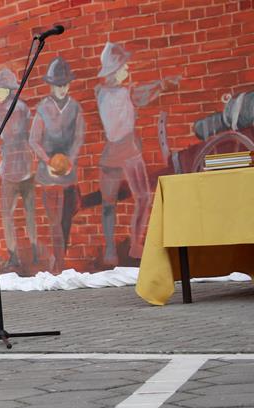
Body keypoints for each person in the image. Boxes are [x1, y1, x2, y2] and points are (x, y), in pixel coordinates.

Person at [95, 42, 178, 264]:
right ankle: (112, 250)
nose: (127, 68)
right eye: (123, 65)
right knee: (110, 203)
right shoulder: (109, 93)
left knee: (142, 197)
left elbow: (141, 94)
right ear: (114, 70)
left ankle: (135, 245)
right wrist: (160, 85)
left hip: (128, 150)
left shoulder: (122, 92)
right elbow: (137, 97)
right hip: (119, 152)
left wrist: (160, 85)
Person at [29, 57, 85, 273]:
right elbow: (34, 140)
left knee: (67, 218)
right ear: (51, 85)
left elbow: (78, 137)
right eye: (57, 84)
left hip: (68, 171)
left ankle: (59, 256)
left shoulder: (75, 108)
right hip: (48, 174)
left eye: (65, 84)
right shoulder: (43, 108)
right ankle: (58, 264)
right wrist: (47, 161)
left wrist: (70, 160)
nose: (62, 89)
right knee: (55, 222)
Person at [0, 67, 37, 268]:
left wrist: (2, 150)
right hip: (27, 167)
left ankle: (14, 254)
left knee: (7, 215)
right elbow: (32, 136)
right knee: (30, 213)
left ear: (7, 90)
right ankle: (34, 251)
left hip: (9, 171)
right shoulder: (24, 109)